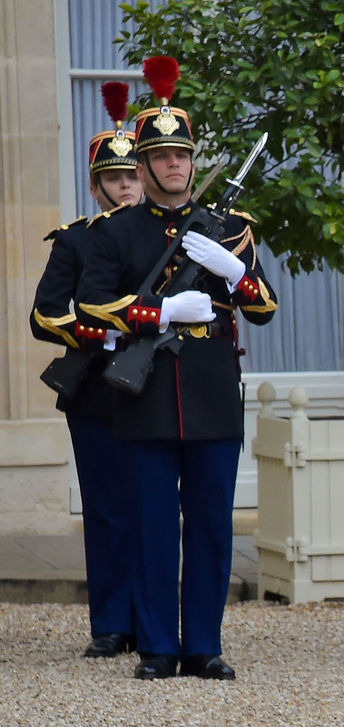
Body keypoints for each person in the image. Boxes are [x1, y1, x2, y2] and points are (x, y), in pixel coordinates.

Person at [76, 56, 277, 681]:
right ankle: (160, 646)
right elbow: (92, 306)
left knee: (214, 527)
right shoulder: (114, 233)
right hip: (147, 391)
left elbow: (264, 306)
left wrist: (233, 270)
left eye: (182, 155)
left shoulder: (231, 230)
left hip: (213, 389)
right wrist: (159, 310)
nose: (173, 165)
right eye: (160, 156)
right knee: (154, 526)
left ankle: (204, 645)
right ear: (140, 166)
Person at [29, 81, 142, 659]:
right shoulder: (75, 241)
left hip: (153, 386)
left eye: (132, 176)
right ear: (96, 186)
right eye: (114, 178)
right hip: (97, 386)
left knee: (150, 506)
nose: (125, 186)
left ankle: (150, 620)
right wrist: (102, 331)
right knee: (104, 507)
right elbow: (44, 315)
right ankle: (111, 621)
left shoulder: (163, 238)